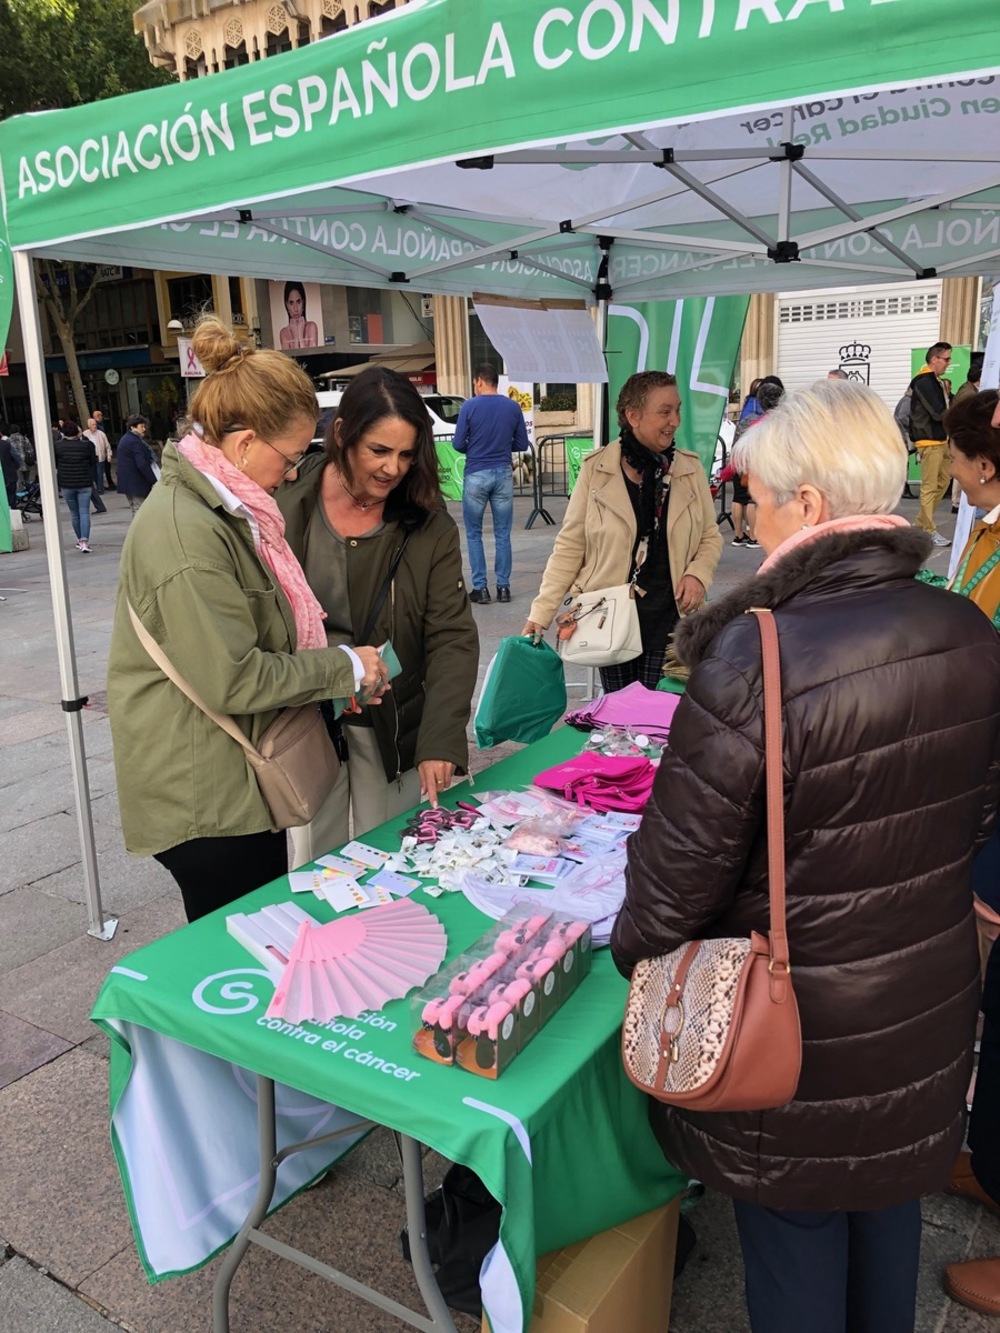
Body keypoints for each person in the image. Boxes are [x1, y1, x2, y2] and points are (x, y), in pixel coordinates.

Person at [611, 379, 1000, 1333]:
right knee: (885, 1203)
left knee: (795, 1232)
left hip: (798, 1026)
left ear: (812, 506)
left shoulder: (759, 653)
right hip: (922, 1000)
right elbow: (977, 814)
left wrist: (635, 952)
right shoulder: (966, 629)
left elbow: (673, 881)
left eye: (757, 495)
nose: (747, 511)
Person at [107, 317, 390, 923]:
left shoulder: (228, 509)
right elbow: (233, 677)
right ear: (241, 445)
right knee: (237, 946)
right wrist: (343, 666)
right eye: (290, 456)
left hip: (231, 767)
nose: (292, 472)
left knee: (253, 933)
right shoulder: (187, 533)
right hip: (206, 793)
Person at [278, 365, 479, 864]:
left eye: (407, 454)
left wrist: (440, 739)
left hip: (391, 716)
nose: (393, 468)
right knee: (309, 860)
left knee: (392, 851)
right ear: (342, 434)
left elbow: (452, 636)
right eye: (379, 451)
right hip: (305, 712)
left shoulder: (427, 525)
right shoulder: (283, 502)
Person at [522, 370, 722, 692]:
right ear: (633, 416)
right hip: (608, 618)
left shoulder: (689, 469)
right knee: (617, 721)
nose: (675, 420)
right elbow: (571, 545)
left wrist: (698, 573)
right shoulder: (596, 470)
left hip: (671, 620)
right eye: (664, 412)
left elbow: (710, 536)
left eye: (677, 409)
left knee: (659, 721)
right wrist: (541, 612)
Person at [453, 363, 530, 604]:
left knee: (474, 533)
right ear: (496, 382)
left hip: (476, 473)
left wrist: (474, 447)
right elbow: (521, 443)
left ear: (478, 381)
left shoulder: (469, 406)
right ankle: (504, 588)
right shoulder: (512, 406)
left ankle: (481, 589)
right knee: (502, 533)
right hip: (503, 474)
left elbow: (457, 444)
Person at [909, 340, 953, 545]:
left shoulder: (935, 380)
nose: (948, 363)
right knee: (929, 486)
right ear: (934, 359)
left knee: (943, 482)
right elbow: (937, 412)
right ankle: (928, 529)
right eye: (946, 359)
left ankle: (921, 523)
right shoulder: (924, 381)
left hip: (941, 439)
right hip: (929, 440)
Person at [53, 421, 98, 552]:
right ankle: (85, 540)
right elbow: (92, 461)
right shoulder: (87, 445)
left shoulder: (57, 446)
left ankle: (79, 539)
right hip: (84, 481)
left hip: (67, 482)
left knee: (74, 513)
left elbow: (55, 463)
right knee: (84, 511)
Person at [116, 415, 157, 515]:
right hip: (136, 483)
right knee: (140, 511)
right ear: (132, 427)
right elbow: (141, 464)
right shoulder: (134, 442)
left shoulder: (127, 439)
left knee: (136, 509)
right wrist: (153, 480)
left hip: (129, 482)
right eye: (141, 426)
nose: (144, 429)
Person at [278, 281, 319, 350]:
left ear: (303, 302)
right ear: (286, 305)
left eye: (298, 302)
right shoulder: (284, 332)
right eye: (291, 303)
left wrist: (300, 336)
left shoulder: (312, 326)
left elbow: (312, 358)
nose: (295, 309)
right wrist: (296, 338)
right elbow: (290, 360)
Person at [85, 417, 112, 494]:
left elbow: (107, 445)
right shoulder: (85, 434)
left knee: (100, 473)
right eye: (93, 424)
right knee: (93, 473)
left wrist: (109, 455)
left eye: (95, 424)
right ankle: (96, 487)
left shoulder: (101, 434)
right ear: (89, 425)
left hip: (100, 456)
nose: (95, 426)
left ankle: (100, 489)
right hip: (90, 457)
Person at [0, 423, 19, 509]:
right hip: (10, 475)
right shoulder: (6, 444)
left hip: (4, 476)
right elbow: (17, 458)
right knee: (11, 497)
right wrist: (14, 467)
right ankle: (13, 513)